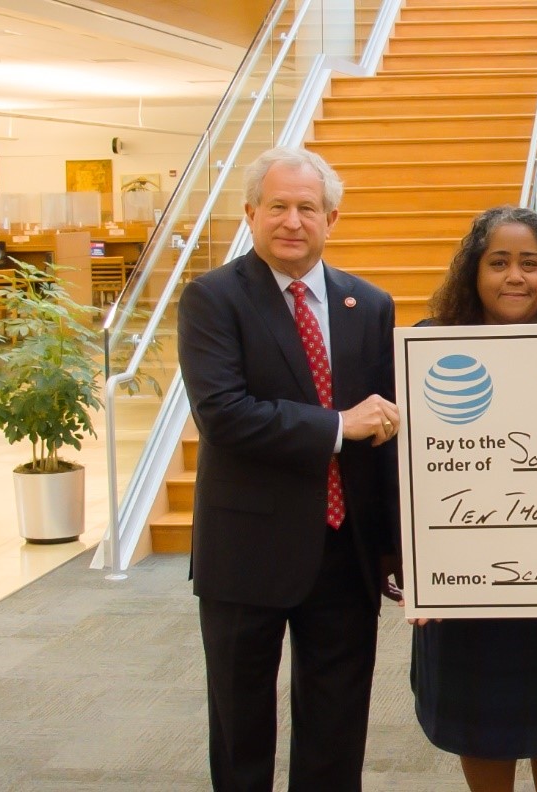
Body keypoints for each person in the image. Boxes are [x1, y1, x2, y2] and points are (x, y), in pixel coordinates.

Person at [178, 146, 401, 791]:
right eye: (278, 206)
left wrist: (391, 544)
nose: (292, 221)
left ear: (332, 217)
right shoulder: (212, 300)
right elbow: (223, 413)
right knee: (241, 728)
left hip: (342, 551)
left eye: (308, 207)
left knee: (337, 729)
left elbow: (382, 433)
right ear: (251, 213)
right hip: (246, 551)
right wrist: (338, 425)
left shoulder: (371, 305)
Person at [409, 205, 537, 792]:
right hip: (468, 582)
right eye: (498, 262)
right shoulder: (430, 350)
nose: (515, 277)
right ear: (473, 273)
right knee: (479, 718)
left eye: (530, 264)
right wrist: (418, 569)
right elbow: (408, 473)